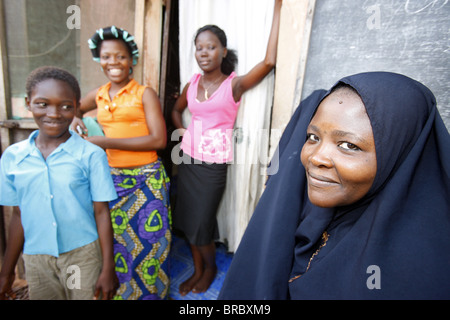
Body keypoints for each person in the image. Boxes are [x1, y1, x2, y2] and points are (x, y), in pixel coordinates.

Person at [219, 71, 450, 300]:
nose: (316, 157)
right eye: (313, 137)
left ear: (399, 155)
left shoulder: (414, 274)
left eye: (349, 145)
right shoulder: (317, 209)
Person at [171, 0, 283, 295]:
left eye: (210, 47)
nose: (203, 53)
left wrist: (278, 8)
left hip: (212, 166)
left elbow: (269, 62)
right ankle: (198, 270)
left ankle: (209, 271)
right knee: (187, 221)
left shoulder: (233, 85)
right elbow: (176, 110)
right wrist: (182, 130)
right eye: (199, 47)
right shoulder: (191, 83)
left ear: (222, 51)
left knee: (201, 223)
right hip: (188, 160)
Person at [0, 66, 118, 300]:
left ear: (76, 107)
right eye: (42, 104)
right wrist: (6, 273)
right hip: (36, 259)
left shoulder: (91, 155)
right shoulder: (13, 157)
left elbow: (102, 212)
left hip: (82, 256)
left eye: (65, 106)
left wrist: (108, 268)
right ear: (28, 103)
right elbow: (18, 215)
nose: (53, 114)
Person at [71, 26, 171, 300]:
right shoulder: (100, 94)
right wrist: (74, 117)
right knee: (119, 246)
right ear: (99, 60)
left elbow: (159, 140)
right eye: (106, 57)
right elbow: (73, 106)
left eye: (120, 56)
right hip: (114, 180)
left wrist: (105, 142)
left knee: (151, 246)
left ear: (132, 60)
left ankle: (150, 296)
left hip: (147, 181)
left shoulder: (144, 93)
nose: (113, 62)